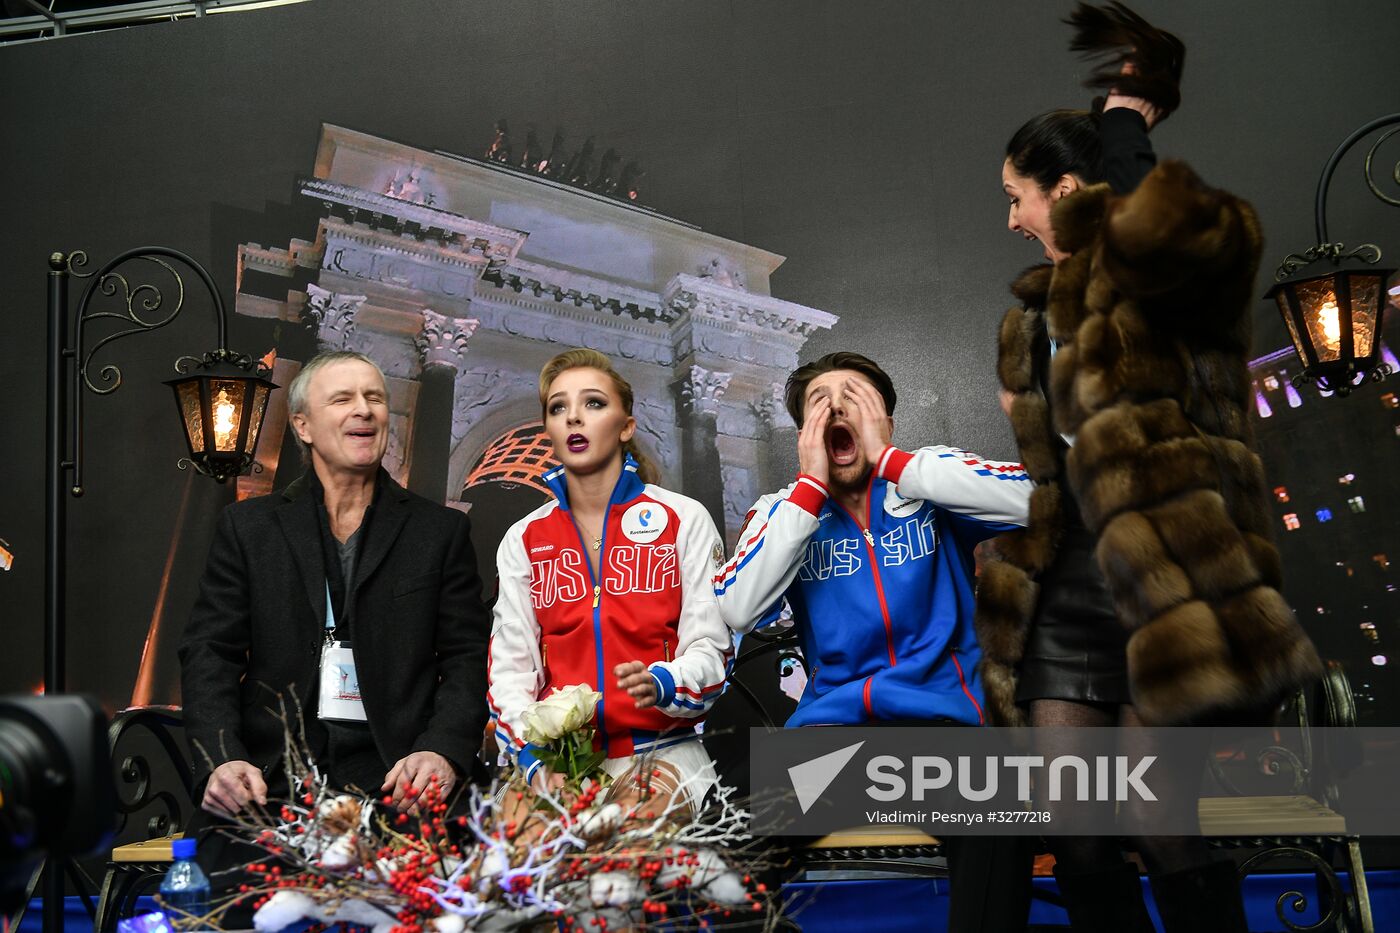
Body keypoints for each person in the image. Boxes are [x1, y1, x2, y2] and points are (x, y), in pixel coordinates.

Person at [979, 4, 1322, 930]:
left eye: (1018, 193)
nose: (1011, 218)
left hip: (1168, 584)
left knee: (1163, 821)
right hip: (1071, 586)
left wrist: (1125, 119)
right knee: (1079, 832)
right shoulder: (1030, 320)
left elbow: (1163, 226)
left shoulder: (1168, 282)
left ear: (1069, 186)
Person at [715, 351, 1034, 932]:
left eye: (855, 397)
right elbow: (737, 608)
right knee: (722, 837)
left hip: (944, 739)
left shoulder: (931, 477)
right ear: (803, 435)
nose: (837, 406)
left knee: (999, 809)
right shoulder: (782, 512)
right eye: (819, 404)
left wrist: (892, 459)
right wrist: (809, 490)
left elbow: (1036, 499)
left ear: (884, 417)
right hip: (833, 747)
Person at [179, 350, 491, 898]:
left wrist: (440, 749)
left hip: (399, 780)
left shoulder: (437, 532)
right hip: (271, 777)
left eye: (374, 398)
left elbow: (466, 657)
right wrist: (221, 759)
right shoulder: (249, 528)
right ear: (303, 424)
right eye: (343, 399)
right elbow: (210, 651)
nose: (364, 410)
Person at [487, 348, 732, 819]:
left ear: (626, 426)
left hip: (662, 750)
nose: (574, 416)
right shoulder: (523, 538)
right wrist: (532, 759)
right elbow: (511, 674)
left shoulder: (683, 518)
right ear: (550, 432)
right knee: (517, 866)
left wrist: (665, 681)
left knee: (617, 843)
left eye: (594, 403)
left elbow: (713, 651)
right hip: (559, 762)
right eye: (559, 408)